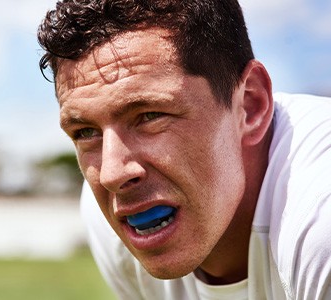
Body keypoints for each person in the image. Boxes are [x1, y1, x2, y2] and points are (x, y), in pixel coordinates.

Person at [37, 1, 331, 299]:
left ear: (250, 106)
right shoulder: (109, 223)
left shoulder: (321, 216)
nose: (112, 175)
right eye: (86, 132)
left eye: (150, 116)